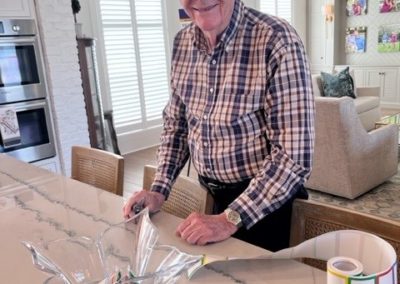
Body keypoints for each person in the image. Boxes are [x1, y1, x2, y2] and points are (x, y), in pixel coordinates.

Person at [123, 0, 315, 252]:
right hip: (209, 198)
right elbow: (177, 127)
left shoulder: (276, 39)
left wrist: (229, 219)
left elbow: (294, 156)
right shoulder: (182, 43)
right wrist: (158, 191)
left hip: (267, 206)